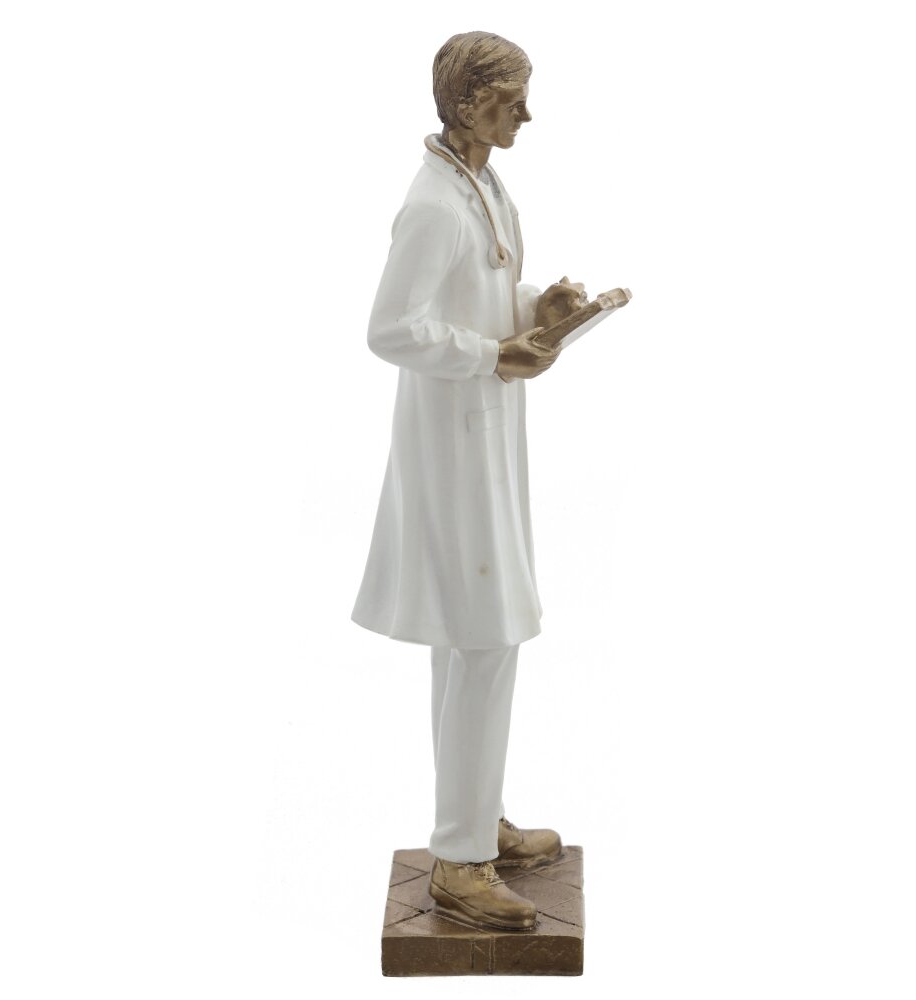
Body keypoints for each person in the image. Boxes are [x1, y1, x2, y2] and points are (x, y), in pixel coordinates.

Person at [352, 31, 584, 931]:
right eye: (509, 98)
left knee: (468, 636)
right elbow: (390, 328)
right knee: (486, 633)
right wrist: (492, 355)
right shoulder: (434, 206)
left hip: (487, 430)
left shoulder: (484, 185)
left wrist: (536, 313)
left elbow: (473, 300)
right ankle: (458, 861)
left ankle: (473, 818)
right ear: (464, 104)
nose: (526, 113)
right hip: (452, 442)